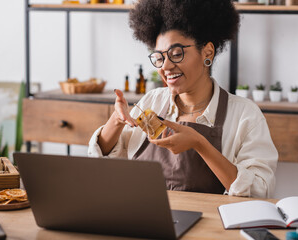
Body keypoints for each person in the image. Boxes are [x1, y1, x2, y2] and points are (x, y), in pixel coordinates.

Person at [88, 0, 278, 198]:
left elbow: (259, 191)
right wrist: (117, 121)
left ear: (208, 52)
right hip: (145, 219)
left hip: (212, 226)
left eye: (176, 54)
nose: (166, 67)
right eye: (159, 57)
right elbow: (102, 158)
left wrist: (200, 144)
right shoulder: (152, 101)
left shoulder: (245, 115)